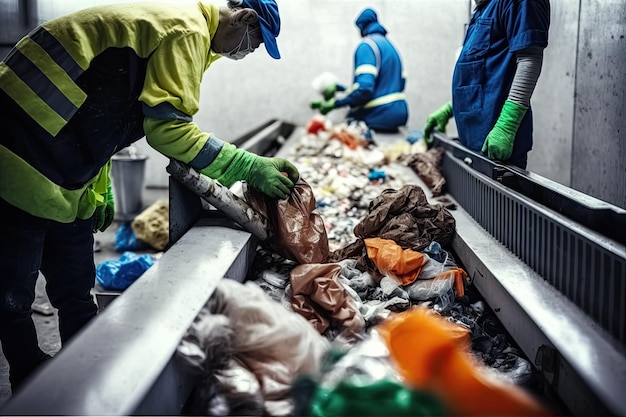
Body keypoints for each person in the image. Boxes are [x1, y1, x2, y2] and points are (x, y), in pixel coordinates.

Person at [0, 0, 299, 392]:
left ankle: (86, 367)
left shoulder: (186, 30)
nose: (247, 52)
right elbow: (168, 131)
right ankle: (27, 370)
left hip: (59, 146)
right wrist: (248, 166)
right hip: (20, 142)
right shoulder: (186, 30)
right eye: (253, 42)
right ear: (244, 17)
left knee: (75, 279)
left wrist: (96, 182)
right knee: (14, 287)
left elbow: (99, 103)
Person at [423, 0, 550, 169]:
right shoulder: (483, 9)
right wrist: (451, 108)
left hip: (496, 150)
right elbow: (482, 75)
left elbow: (529, 59)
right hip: (472, 143)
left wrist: (507, 125)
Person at [310, 7, 409, 133]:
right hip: (398, 114)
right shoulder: (391, 47)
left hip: (377, 115)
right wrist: (343, 89)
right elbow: (392, 85)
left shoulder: (367, 46)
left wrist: (336, 103)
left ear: (361, 27)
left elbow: (365, 89)